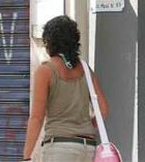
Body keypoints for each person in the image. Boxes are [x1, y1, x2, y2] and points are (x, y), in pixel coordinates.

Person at [22, 15, 108, 161]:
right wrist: (85, 126)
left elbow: (37, 117)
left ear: (49, 42)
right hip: (88, 148)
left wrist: (26, 156)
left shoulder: (45, 71)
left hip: (59, 148)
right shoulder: (86, 69)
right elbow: (103, 110)